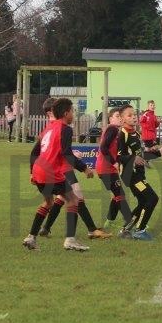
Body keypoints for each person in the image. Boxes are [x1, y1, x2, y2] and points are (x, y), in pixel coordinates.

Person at [35, 98, 111, 240]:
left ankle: (46, 228)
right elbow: (49, 152)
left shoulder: (53, 127)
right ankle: (89, 231)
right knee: (76, 197)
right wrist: (82, 166)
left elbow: (58, 150)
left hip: (60, 168)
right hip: (60, 169)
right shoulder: (56, 127)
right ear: (51, 112)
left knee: (63, 198)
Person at [23, 98, 91, 251]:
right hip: (51, 172)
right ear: (66, 113)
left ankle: (31, 237)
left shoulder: (48, 128)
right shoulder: (66, 129)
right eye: (72, 111)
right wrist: (84, 168)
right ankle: (70, 240)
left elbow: (35, 152)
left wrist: (32, 172)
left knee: (48, 202)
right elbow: (67, 153)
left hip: (39, 171)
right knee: (73, 200)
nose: (73, 114)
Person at [118, 104, 162, 240]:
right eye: (129, 115)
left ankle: (126, 229)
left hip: (139, 174)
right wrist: (132, 158)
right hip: (131, 176)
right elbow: (117, 156)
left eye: (134, 114)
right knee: (152, 198)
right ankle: (140, 230)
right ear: (122, 119)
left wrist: (159, 153)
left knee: (143, 201)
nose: (134, 117)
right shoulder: (122, 134)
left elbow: (141, 156)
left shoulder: (136, 134)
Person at [96, 107, 134, 236]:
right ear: (111, 118)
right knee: (120, 194)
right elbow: (103, 147)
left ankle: (110, 221)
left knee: (116, 194)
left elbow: (114, 151)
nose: (120, 118)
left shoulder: (115, 131)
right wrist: (113, 162)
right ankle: (130, 220)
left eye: (120, 116)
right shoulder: (112, 129)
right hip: (106, 168)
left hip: (107, 169)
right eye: (117, 116)